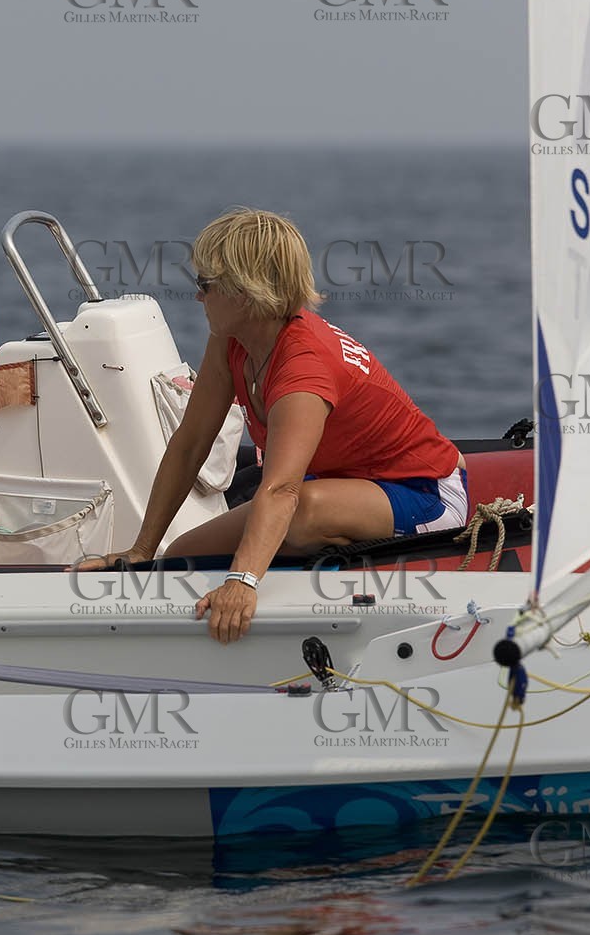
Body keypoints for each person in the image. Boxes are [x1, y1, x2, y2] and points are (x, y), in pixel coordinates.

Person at [78, 208, 467, 644]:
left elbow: (283, 490)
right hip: (341, 480)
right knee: (182, 555)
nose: (197, 298)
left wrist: (243, 581)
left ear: (245, 293)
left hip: (423, 490)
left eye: (205, 286)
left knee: (297, 511)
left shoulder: (303, 368)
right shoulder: (230, 339)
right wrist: (142, 552)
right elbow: (190, 445)